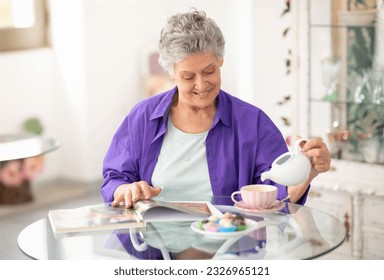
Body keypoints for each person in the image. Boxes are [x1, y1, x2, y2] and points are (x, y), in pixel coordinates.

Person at [100, 9, 330, 209]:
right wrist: (125, 189)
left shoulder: (253, 123)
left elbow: (276, 198)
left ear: (220, 60)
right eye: (188, 76)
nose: (201, 85)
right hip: (156, 251)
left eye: (209, 71)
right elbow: (114, 178)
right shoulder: (142, 118)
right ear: (171, 72)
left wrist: (307, 172)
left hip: (230, 250)